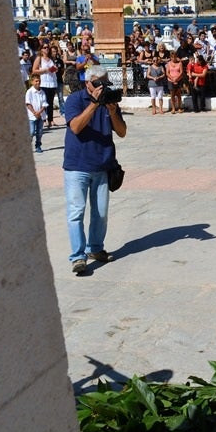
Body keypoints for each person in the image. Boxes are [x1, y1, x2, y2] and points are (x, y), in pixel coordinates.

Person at [63, 64, 127, 275]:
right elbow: (75, 127)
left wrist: (112, 111)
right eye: (97, 83)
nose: (102, 87)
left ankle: (96, 248)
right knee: (76, 213)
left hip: (102, 165)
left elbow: (121, 132)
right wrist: (93, 104)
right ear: (87, 83)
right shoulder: (74, 100)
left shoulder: (109, 101)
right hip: (77, 166)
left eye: (105, 82)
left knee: (100, 214)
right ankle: (78, 257)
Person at [31, 44, 60, 128]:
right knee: (44, 102)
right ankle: (44, 120)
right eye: (45, 47)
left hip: (52, 82)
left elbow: (54, 68)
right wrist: (45, 70)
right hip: (43, 82)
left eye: (48, 47)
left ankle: (51, 120)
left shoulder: (51, 58)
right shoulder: (39, 58)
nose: (47, 49)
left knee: (50, 103)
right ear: (41, 49)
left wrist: (55, 69)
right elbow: (34, 70)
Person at [25, 74, 46, 153]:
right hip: (31, 116)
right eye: (36, 81)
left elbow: (44, 104)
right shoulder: (29, 92)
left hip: (40, 115)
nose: (38, 82)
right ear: (32, 82)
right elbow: (28, 103)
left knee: (40, 131)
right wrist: (34, 112)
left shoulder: (42, 92)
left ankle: (38, 145)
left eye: (39, 81)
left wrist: (39, 112)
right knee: (31, 131)